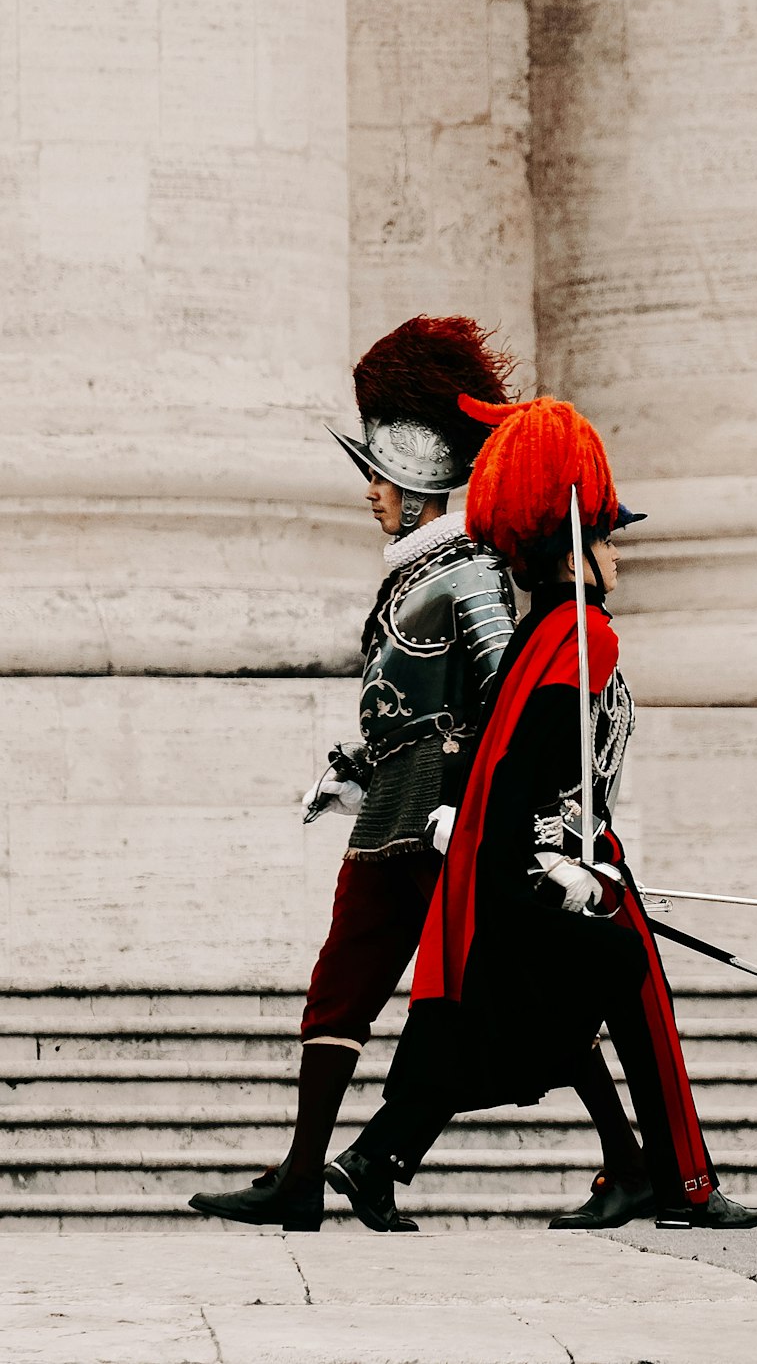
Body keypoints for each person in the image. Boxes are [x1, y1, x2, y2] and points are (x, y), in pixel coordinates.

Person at [326, 394, 757, 1233]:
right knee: (621, 1001)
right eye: (608, 535)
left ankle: (391, 1154)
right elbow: (539, 765)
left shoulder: (547, 631)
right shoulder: (583, 635)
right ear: (580, 547)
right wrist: (559, 858)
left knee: (545, 1016)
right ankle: (680, 1184)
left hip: (526, 858)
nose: (618, 552)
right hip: (565, 857)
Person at [187, 315, 520, 1232]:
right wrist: (352, 771)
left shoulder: (474, 576)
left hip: (447, 819)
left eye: (378, 475)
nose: (369, 492)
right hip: (390, 811)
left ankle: (622, 1153)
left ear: (415, 484)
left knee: (498, 999)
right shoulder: (412, 573)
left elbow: (503, 704)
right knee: (342, 982)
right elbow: (396, 704)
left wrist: (467, 804)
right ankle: (302, 1175)